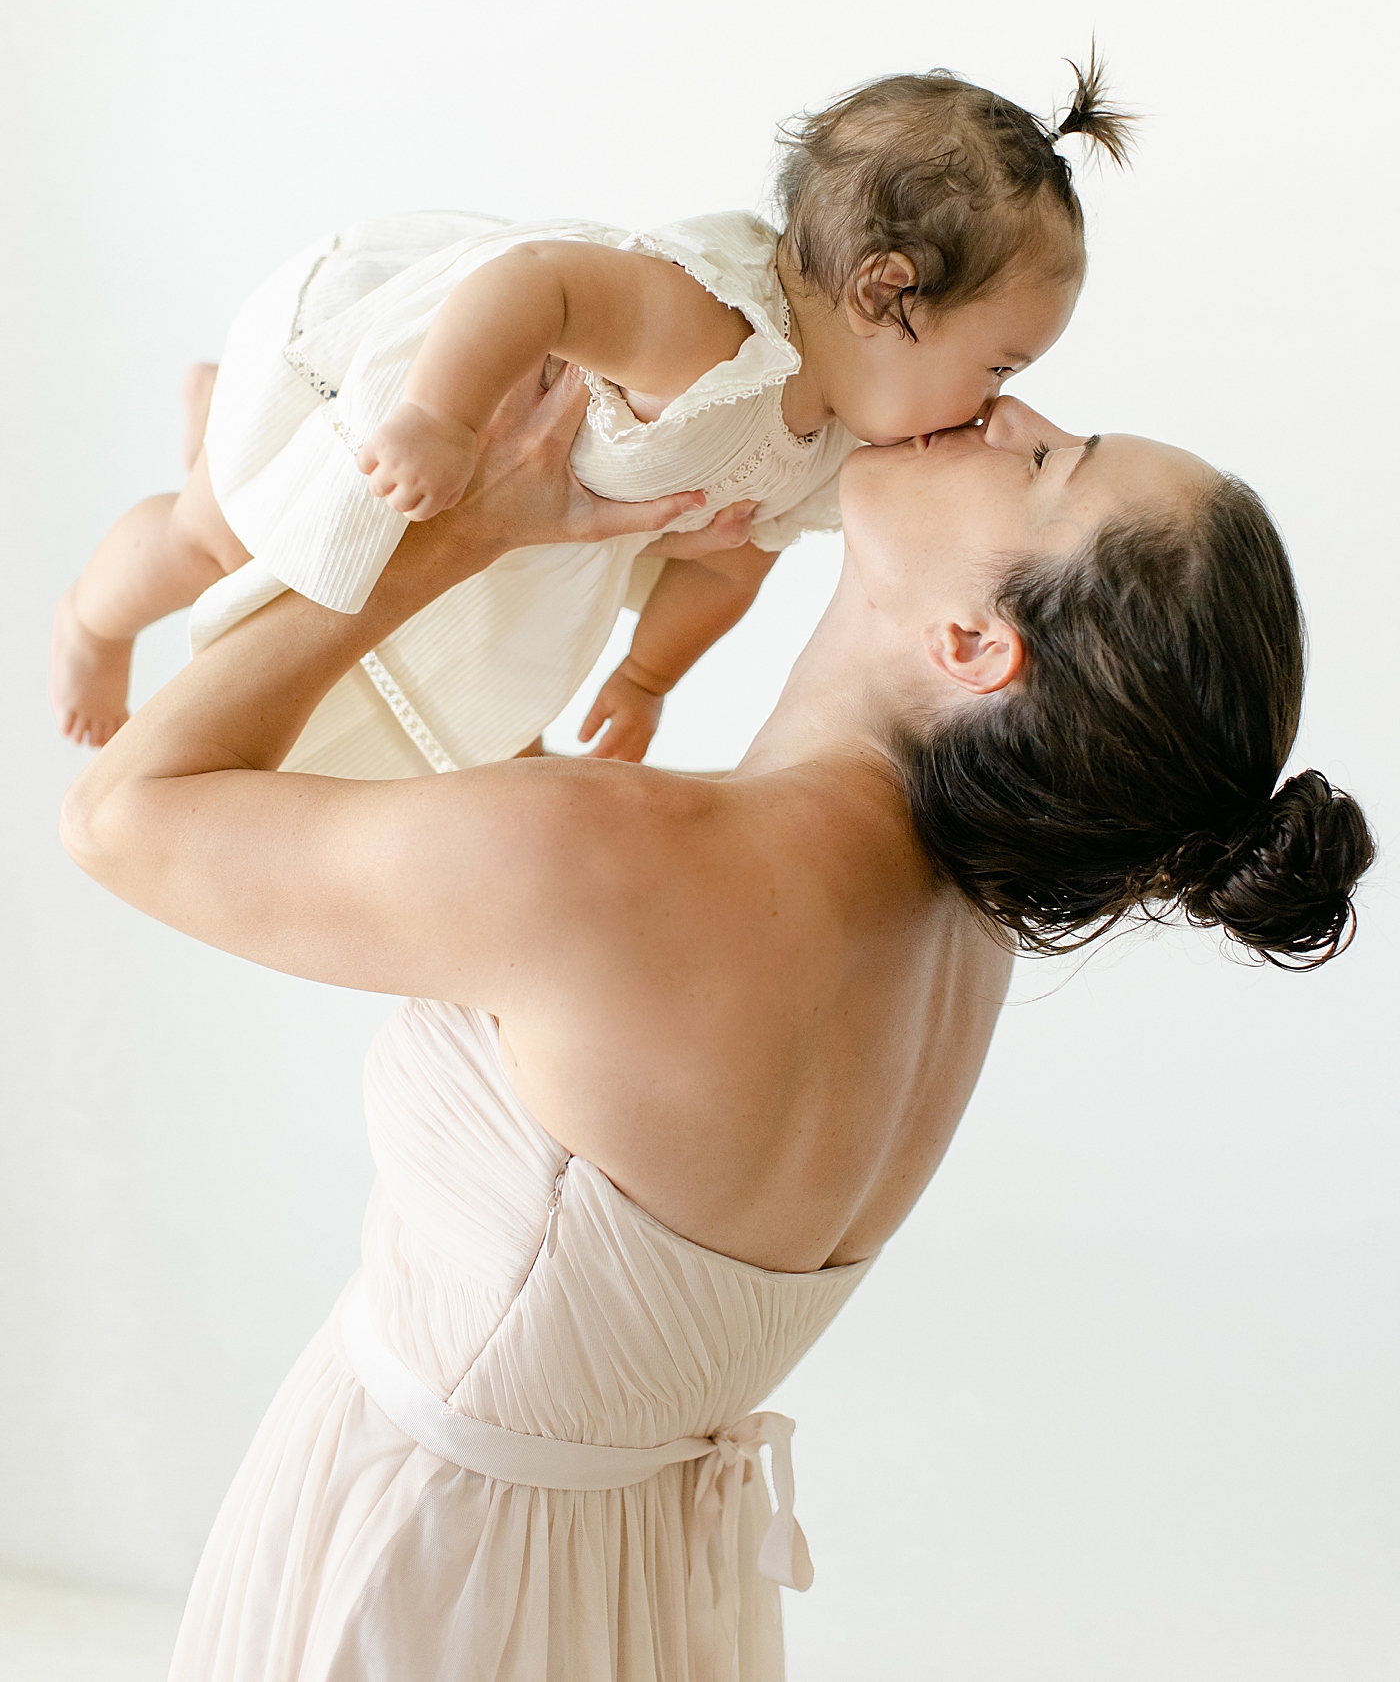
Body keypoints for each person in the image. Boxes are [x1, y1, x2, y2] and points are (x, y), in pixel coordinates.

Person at [60, 366, 1372, 1682]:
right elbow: (466, 826)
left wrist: (448, 536)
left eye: (1044, 463)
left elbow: (118, 822)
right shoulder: (958, 930)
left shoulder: (634, 868)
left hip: (428, 1574)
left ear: (973, 645)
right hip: (646, 1586)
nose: (1006, 412)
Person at [50, 55, 1130, 775]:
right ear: (885, 293)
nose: (1000, 403)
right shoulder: (713, 328)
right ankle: (93, 621)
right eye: (994, 366)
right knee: (219, 534)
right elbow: (536, 283)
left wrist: (646, 673)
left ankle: (205, 411)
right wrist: (435, 414)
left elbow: (729, 566)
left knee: (451, 671)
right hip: (391, 400)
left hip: (523, 527)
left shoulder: (836, 445)